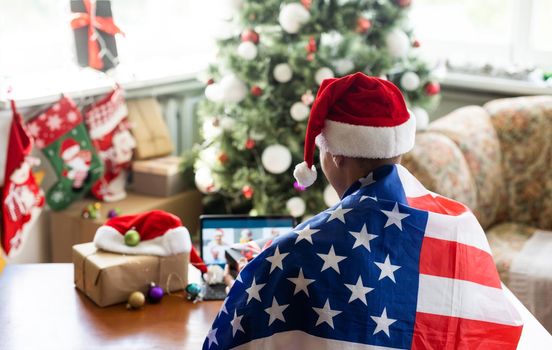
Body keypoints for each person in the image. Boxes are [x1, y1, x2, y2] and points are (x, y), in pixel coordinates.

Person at [204, 73, 523, 349]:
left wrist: (263, 269)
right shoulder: (459, 224)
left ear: (337, 155)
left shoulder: (295, 252)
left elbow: (230, 337)